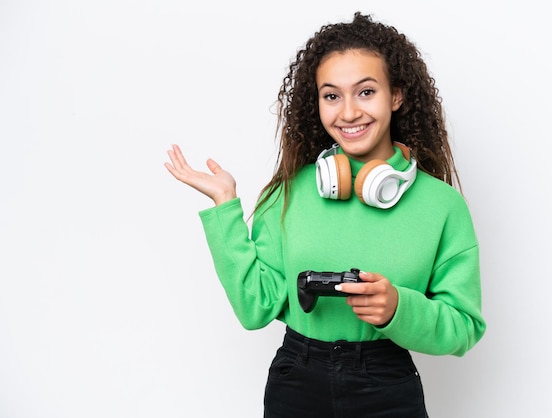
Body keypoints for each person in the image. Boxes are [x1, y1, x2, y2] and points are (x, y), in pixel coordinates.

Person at [165, 11, 485, 417]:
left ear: (397, 95)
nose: (348, 113)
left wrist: (398, 308)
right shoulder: (289, 191)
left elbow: (464, 326)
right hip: (296, 381)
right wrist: (225, 205)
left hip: (387, 384)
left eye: (366, 92)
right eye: (332, 96)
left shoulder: (442, 206)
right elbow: (255, 308)